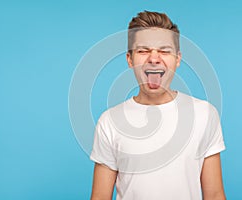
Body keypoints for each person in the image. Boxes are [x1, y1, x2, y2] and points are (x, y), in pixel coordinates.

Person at [90, 11, 226, 200]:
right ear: (130, 59)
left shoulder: (204, 114)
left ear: (177, 59)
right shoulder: (110, 122)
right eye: (143, 50)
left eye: (164, 51)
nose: (154, 59)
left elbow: (214, 194)